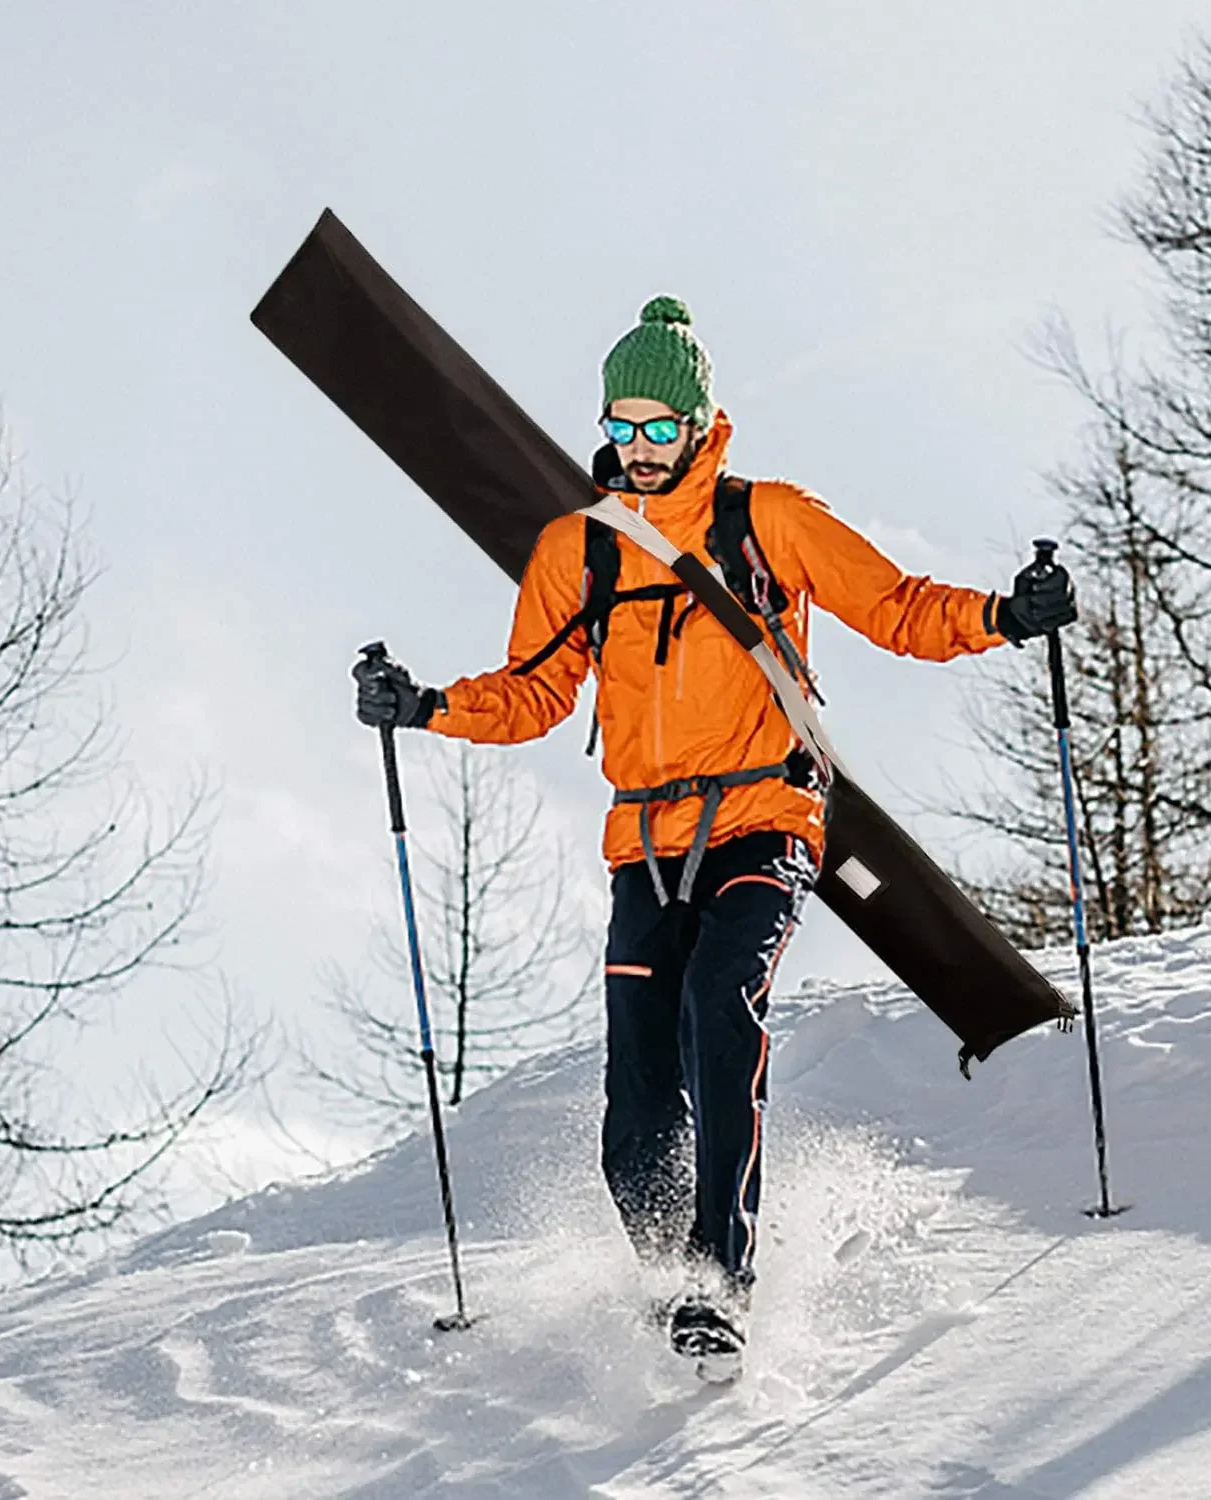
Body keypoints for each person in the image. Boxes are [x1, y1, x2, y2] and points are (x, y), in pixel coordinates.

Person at [354, 297, 1075, 1371]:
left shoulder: (766, 520)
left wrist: (1005, 617)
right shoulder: (580, 553)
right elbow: (534, 691)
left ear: (698, 422)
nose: (638, 450)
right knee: (639, 1084)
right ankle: (670, 1285)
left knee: (718, 1003)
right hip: (643, 842)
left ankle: (720, 1278)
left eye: (659, 427)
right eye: (622, 427)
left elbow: (898, 607)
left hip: (764, 818)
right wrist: (423, 706)